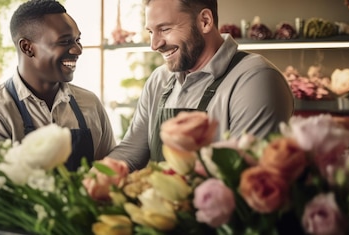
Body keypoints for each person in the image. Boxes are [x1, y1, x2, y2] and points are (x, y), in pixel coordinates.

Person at [106, 0, 294, 172]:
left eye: (165, 29)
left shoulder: (255, 79)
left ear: (205, 21)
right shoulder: (159, 80)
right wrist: (86, 183)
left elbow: (241, 175)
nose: (154, 45)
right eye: (150, 32)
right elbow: (129, 153)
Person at [0, 0, 116, 171]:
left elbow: (110, 175)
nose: (78, 50)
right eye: (64, 42)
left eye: (77, 40)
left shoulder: (90, 104)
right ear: (27, 48)